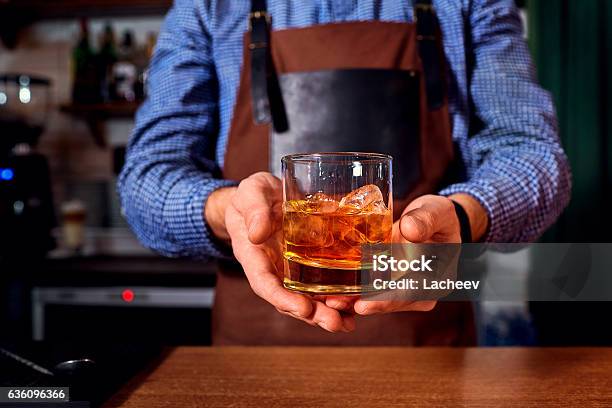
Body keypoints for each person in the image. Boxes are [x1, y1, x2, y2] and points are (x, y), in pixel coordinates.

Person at [118, 0, 571, 345]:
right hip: (253, 357)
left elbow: (534, 154)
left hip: (427, 347)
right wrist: (228, 209)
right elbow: (145, 179)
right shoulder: (210, 6)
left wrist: (465, 214)